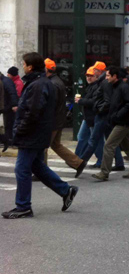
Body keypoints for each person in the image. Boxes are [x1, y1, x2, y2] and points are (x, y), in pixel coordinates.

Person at [2, 53, 78, 219]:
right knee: (36, 166)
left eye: (24, 64)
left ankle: (23, 207)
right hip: (37, 132)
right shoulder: (39, 82)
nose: (22, 66)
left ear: (30, 67)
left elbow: (33, 112)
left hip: (32, 133)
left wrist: (19, 129)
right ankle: (66, 190)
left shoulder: (38, 84)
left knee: (21, 169)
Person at [91, 67, 129, 181]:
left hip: (122, 122)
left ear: (115, 76)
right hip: (119, 121)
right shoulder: (115, 87)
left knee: (109, 145)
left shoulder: (123, 87)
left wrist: (118, 115)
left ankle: (104, 173)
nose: (106, 77)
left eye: (108, 75)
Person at [44, 59, 86, 176]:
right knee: (56, 145)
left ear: (46, 69)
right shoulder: (56, 81)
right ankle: (78, 163)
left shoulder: (52, 84)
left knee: (43, 146)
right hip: (58, 119)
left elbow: (51, 104)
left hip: (53, 120)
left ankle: (41, 172)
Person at [80, 62, 125, 171]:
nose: (93, 71)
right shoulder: (105, 82)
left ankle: (80, 163)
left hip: (102, 115)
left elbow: (105, 100)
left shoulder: (104, 82)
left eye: (95, 70)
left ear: (99, 71)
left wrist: (99, 108)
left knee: (94, 140)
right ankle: (119, 163)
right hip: (107, 115)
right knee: (110, 141)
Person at [75, 67, 102, 166]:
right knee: (82, 137)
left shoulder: (96, 87)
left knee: (95, 140)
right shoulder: (91, 86)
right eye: (87, 75)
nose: (88, 78)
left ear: (96, 76)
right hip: (88, 118)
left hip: (92, 117)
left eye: (91, 76)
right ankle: (77, 158)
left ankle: (100, 160)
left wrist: (81, 101)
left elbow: (94, 102)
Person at [0, 69, 18, 152]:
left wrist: (14, 105)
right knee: (8, 124)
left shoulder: (6, 81)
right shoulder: (5, 81)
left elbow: (12, 93)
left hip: (7, 106)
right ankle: (6, 140)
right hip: (5, 106)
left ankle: (8, 140)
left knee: (9, 124)